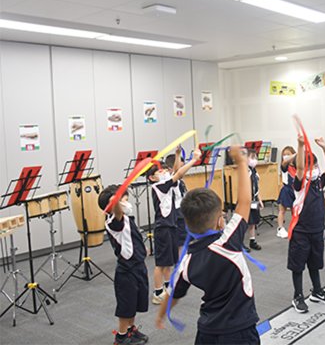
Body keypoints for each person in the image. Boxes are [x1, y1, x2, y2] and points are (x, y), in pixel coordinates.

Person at [160, 144, 260, 344]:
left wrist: (161, 315)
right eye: (222, 214)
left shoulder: (186, 263)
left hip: (206, 331)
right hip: (239, 330)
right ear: (219, 221)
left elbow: (172, 294)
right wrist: (241, 162)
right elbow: (245, 202)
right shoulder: (227, 242)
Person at [283, 134, 325, 314]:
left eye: (315, 165)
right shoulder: (299, 183)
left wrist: (324, 147)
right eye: (310, 166)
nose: (314, 169)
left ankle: (317, 291)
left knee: (315, 263)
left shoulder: (319, 182)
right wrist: (299, 145)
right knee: (298, 265)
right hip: (300, 231)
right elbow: (299, 167)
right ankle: (297, 296)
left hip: (316, 229)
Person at [100, 182, 152, 345]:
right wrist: (116, 203)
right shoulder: (113, 222)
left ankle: (131, 330)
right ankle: (121, 337)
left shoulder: (128, 218)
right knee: (126, 306)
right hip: (126, 272)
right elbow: (117, 215)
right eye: (124, 201)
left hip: (139, 266)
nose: (127, 203)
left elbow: (132, 236)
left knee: (136, 302)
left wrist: (142, 249)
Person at [150, 150, 200, 306]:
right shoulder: (159, 186)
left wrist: (178, 155)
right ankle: (158, 292)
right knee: (161, 263)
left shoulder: (167, 185)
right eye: (160, 171)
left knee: (169, 261)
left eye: (165, 169)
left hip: (170, 225)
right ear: (152, 177)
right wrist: (194, 160)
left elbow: (176, 172)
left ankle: (167, 286)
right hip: (162, 228)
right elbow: (178, 174)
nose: (164, 171)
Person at [276, 145, 296, 238]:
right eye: (284, 155)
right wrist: (296, 154)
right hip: (286, 190)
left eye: (288, 154)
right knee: (282, 211)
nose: (286, 156)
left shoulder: (297, 166)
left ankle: (295, 227)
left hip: (295, 191)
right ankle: (280, 228)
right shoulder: (284, 166)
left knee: (294, 211)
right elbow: (285, 162)